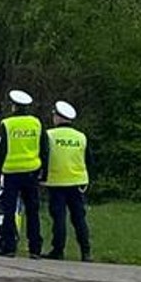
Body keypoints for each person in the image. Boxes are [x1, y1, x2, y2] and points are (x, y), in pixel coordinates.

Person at [0, 88, 45, 257]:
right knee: (32, 212)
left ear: (14, 106)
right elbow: (44, 148)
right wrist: (43, 171)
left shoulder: (7, 124)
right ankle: (35, 248)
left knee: (9, 211)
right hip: (31, 173)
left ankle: (9, 246)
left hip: (11, 173)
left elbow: (1, 150)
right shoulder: (36, 123)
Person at [45, 99, 91, 261]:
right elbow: (89, 160)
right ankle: (86, 252)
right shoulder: (81, 137)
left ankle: (58, 250)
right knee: (79, 218)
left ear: (58, 117)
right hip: (77, 182)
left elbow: (44, 157)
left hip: (56, 182)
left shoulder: (49, 135)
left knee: (59, 218)